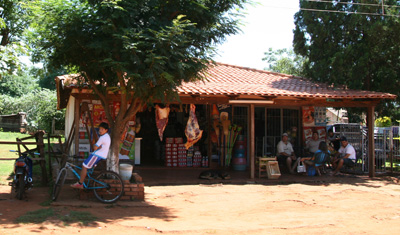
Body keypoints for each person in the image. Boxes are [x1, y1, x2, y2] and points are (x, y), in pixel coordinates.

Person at [71, 122, 111, 189]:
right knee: (87, 167)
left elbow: (95, 147)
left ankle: (80, 183)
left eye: (102, 129)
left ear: (106, 130)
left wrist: (95, 145)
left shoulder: (102, 138)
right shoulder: (107, 136)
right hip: (100, 155)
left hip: (97, 155)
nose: (100, 131)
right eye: (99, 129)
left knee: (84, 165)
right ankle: (86, 181)